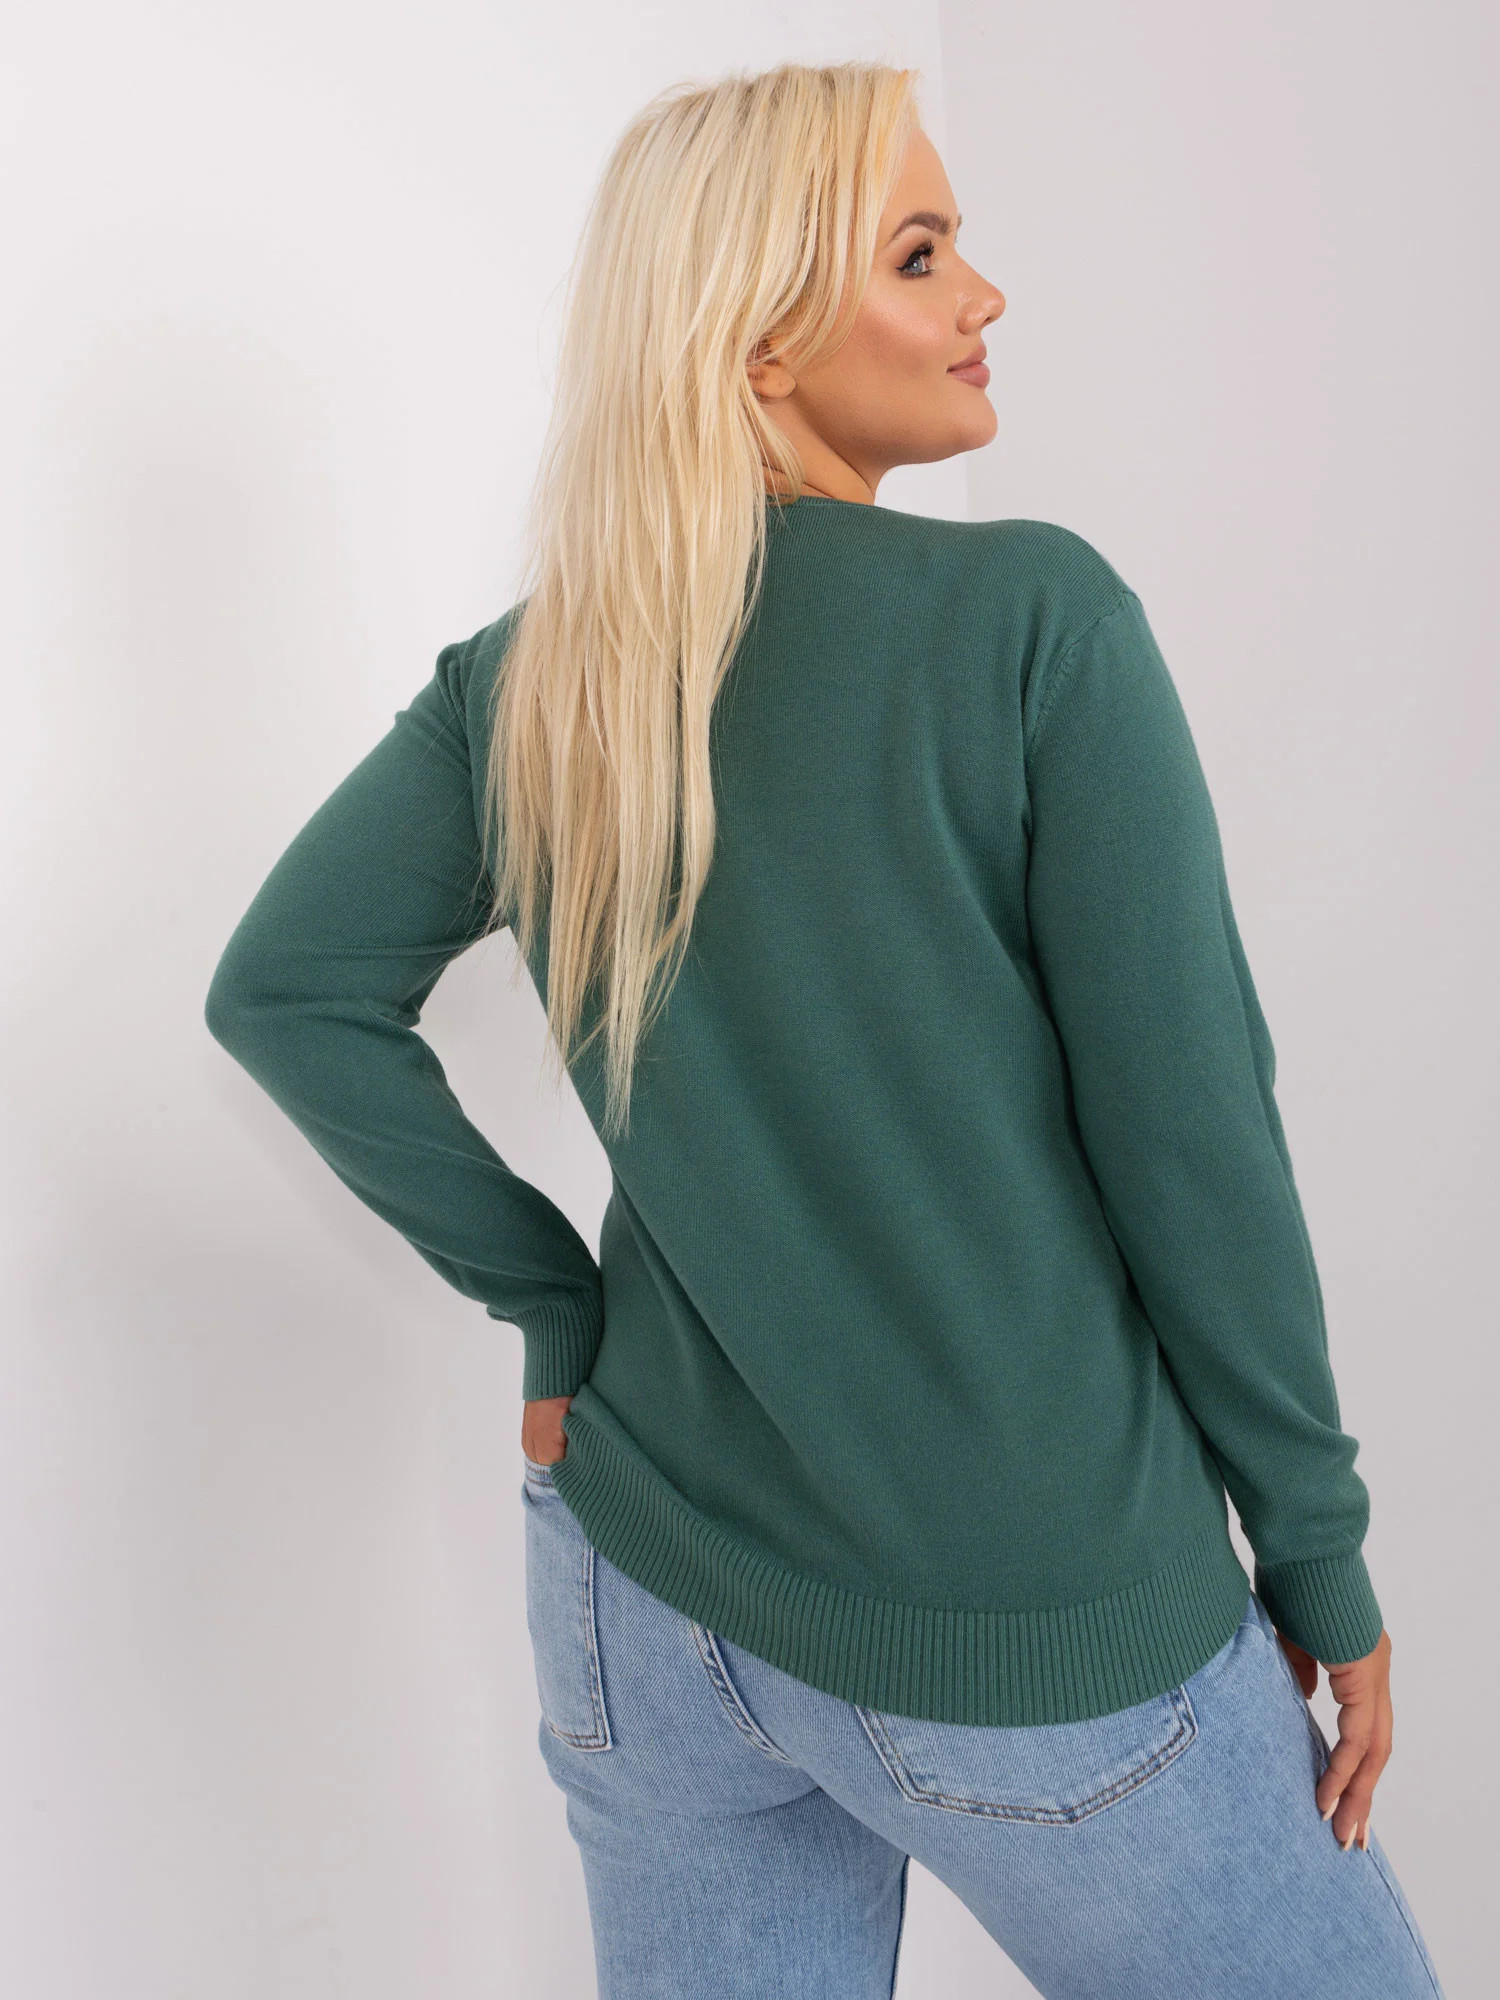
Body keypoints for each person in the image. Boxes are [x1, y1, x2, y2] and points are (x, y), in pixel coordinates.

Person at [203, 58, 1444, 2000]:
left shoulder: (540, 681)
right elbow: (1195, 1142)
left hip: (644, 1595)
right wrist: (1319, 1554)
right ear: (760, 340)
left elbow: (283, 992)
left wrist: (555, 1304)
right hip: (1033, 1627)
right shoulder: (1035, 623)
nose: (985, 295)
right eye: (920, 254)